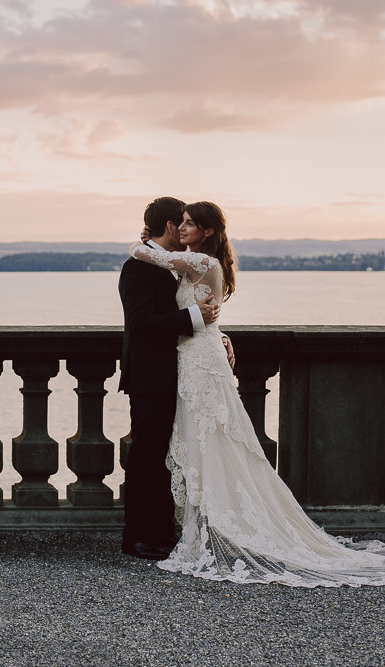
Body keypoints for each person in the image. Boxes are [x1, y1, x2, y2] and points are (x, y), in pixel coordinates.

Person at [128, 201, 385, 587]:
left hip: (195, 364)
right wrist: (210, 329)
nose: (183, 229)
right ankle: (153, 534)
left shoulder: (194, 262)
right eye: (180, 223)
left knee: (210, 440)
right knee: (178, 446)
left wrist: (141, 244)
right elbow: (165, 316)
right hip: (174, 367)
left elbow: (187, 299)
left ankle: (194, 528)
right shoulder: (162, 264)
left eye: (190, 223)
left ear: (207, 231)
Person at [118, 197, 220, 561]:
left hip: (175, 374)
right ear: (171, 227)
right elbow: (142, 325)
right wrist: (195, 318)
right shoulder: (138, 267)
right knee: (147, 456)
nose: (188, 230)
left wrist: (215, 334)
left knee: (167, 456)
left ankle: (162, 531)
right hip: (149, 377)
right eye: (184, 223)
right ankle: (138, 537)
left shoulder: (166, 263)